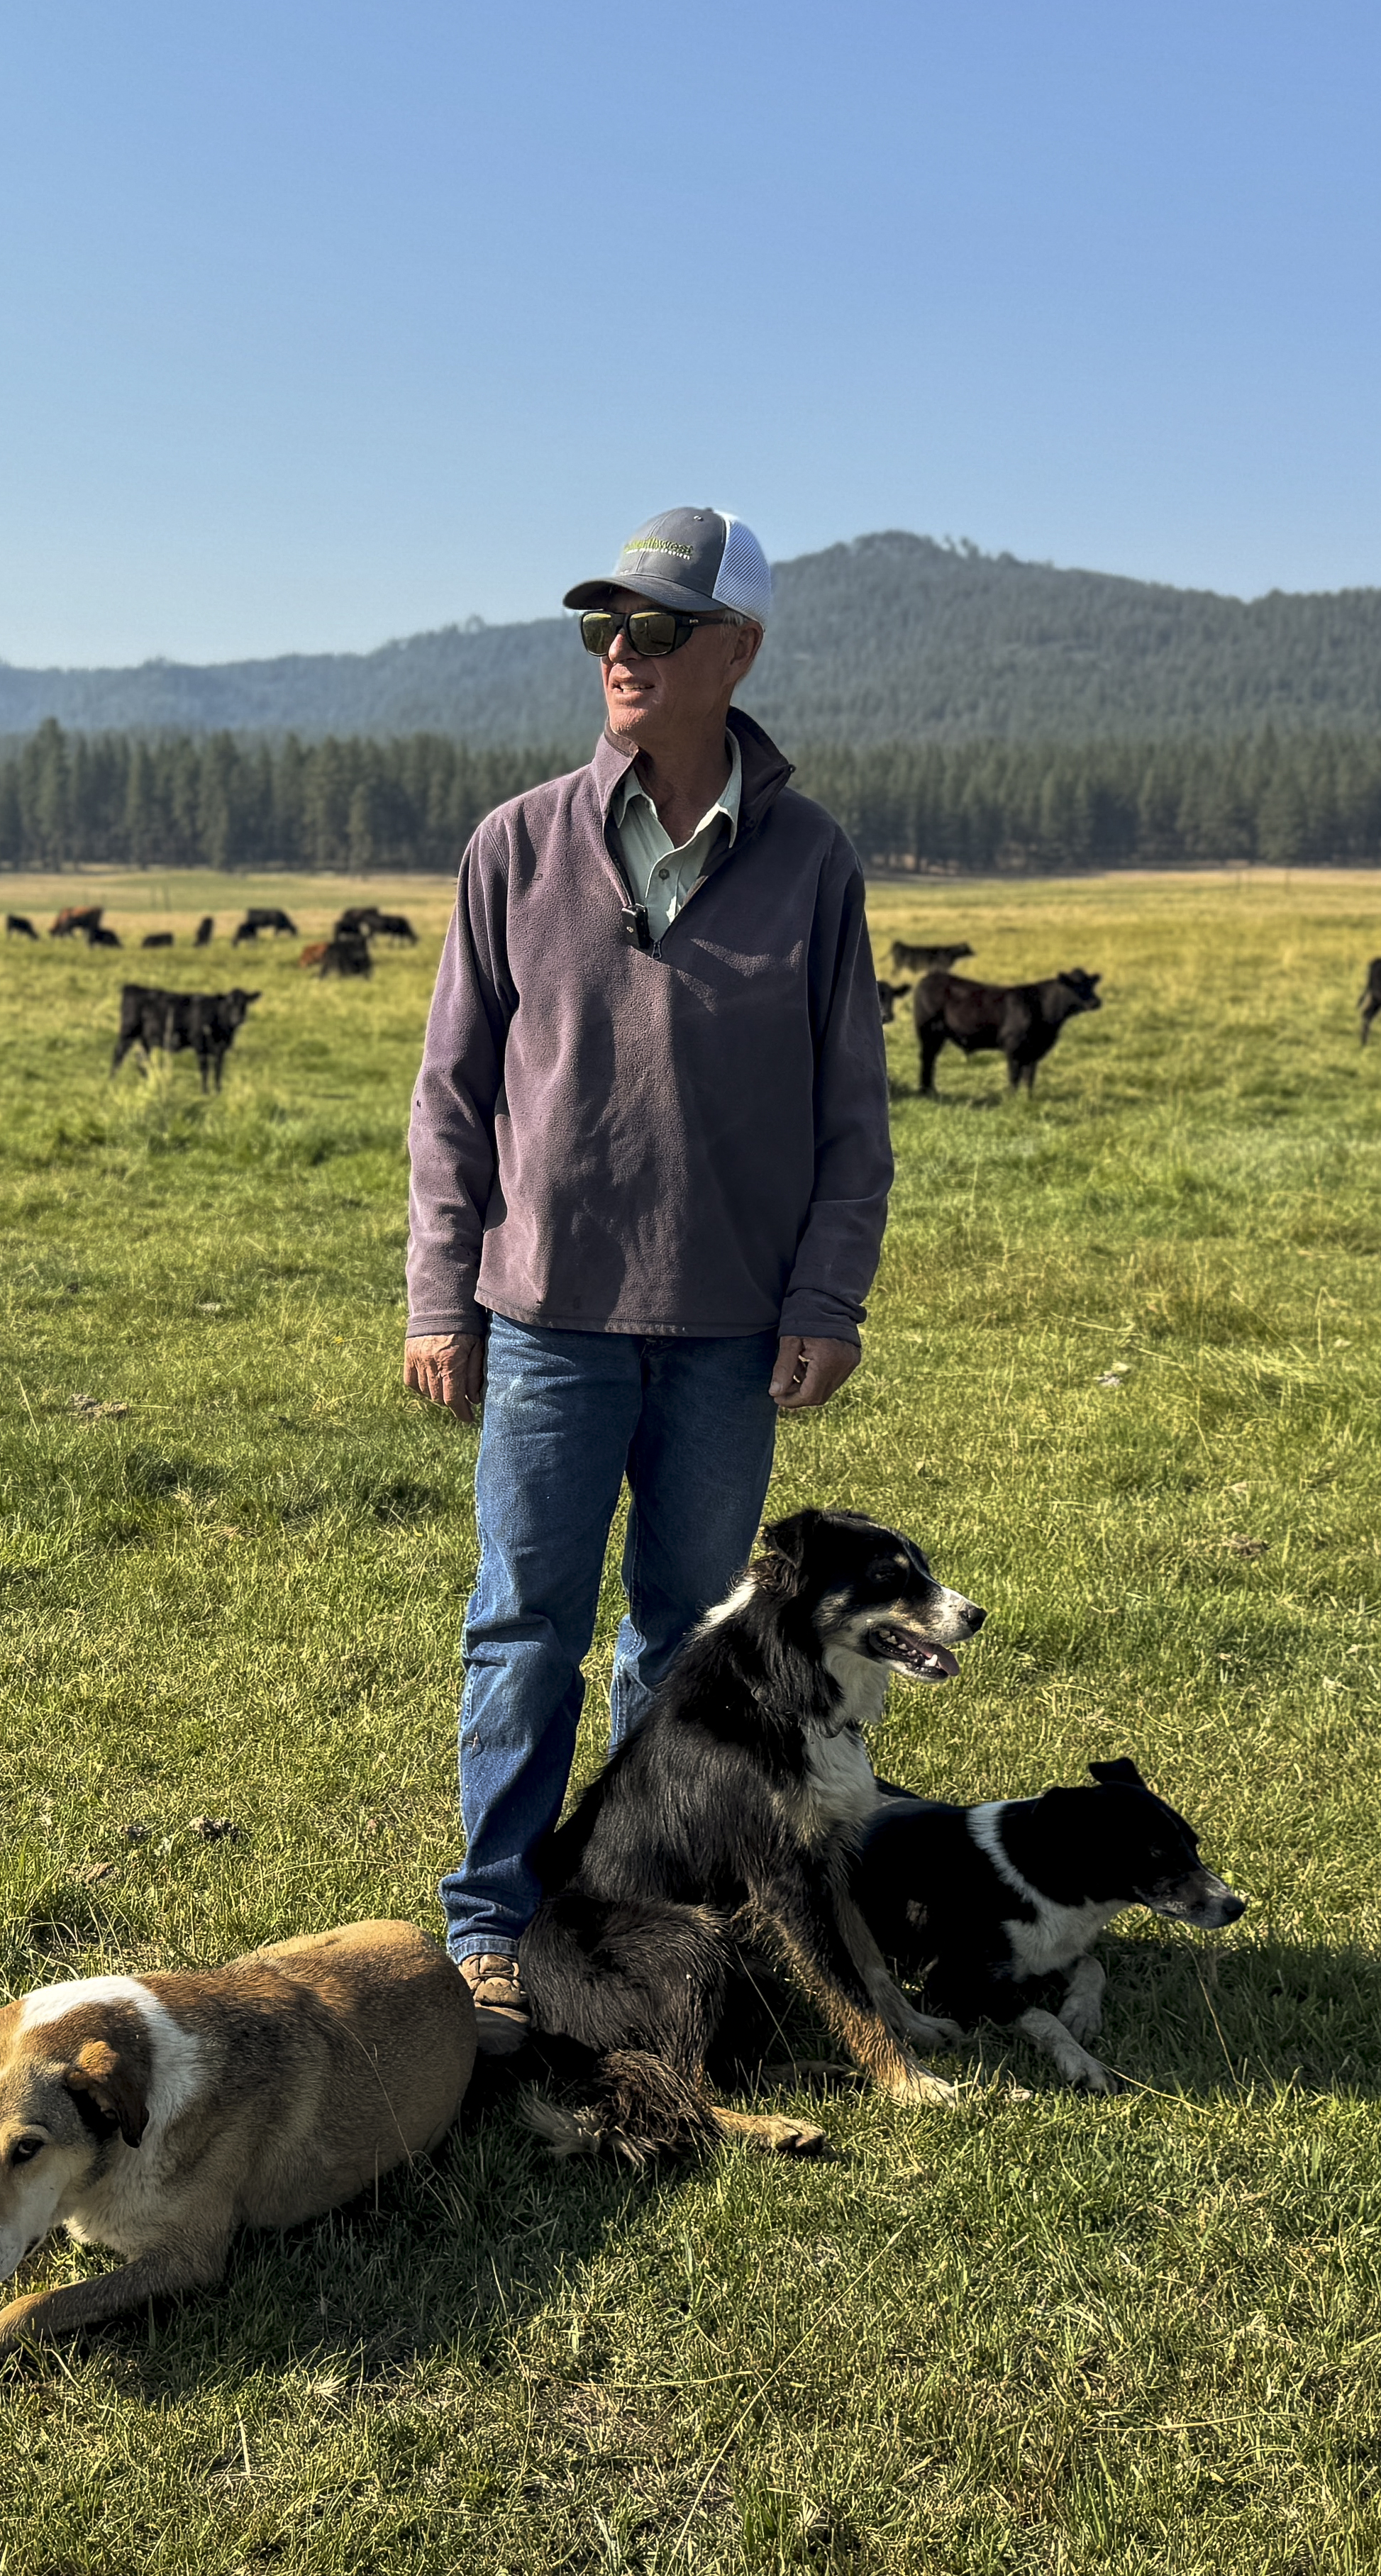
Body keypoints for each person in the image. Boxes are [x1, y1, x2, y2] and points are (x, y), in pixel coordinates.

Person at [404, 506, 894, 2051]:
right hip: (545, 1315)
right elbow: (450, 1089)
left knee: (686, 1638)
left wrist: (827, 1296)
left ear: (735, 653)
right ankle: (492, 1926)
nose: (621, 652)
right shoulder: (519, 845)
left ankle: (643, 1920)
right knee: (522, 1623)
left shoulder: (811, 862)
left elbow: (850, 1111)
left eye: (657, 629)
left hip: (731, 1327)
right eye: (605, 628)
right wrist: (438, 1290)